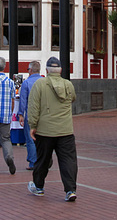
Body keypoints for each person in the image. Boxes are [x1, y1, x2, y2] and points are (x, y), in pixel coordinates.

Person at [27, 56, 78, 202]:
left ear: (47, 70)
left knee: (42, 160)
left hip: (45, 130)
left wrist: (33, 125)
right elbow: (73, 98)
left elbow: (34, 107)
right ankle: (70, 190)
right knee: (68, 160)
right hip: (66, 130)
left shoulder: (40, 84)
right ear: (60, 70)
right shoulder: (68, 84)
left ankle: (39, 187)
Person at [18, 61, 41, 170]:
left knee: (30, 138)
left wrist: (21, 114)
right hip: (44, 114)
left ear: (31, 70)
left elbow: (23, 100)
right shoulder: (44, 81)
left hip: (31, 114)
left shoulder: (26, 83)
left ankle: (33, 162)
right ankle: (43, 160)